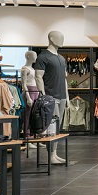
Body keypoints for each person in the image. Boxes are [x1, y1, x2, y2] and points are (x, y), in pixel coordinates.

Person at [33, 31, 69, 164]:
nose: (62, 40)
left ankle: (54, 153)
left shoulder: (61, 58)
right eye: (60, 38)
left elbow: (64, 79)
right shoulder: (43, 57)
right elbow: (38, 76)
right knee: (51, 127)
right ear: (52, 39)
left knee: (57, 127)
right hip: (50, 97)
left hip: (62, 96)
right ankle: (51, 155)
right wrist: (43, 96)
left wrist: (67, 97)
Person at [21, 50, 39, 138]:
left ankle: (33, 135)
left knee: (34, 115)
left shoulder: (32, 69)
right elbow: (23, 84)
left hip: (35, 91)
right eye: (34, 56)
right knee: (27, 115)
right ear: (28, 56)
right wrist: (28, 97)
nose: (36, 57)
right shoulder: (24, 69)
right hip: (29, 91)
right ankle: (27, 136)